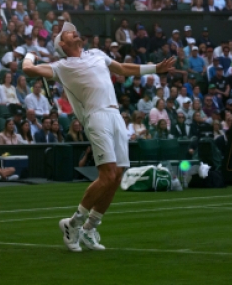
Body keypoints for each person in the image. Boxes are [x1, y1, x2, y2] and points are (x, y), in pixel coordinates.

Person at [23, 21, 175, 252]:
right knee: (107, 175)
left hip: (115, 115)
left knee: (117, 176)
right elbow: (29, 70)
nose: (75, 31)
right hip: (95, 117)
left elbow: (123, 69)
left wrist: (155, 68)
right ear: (62, 44)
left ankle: (89, 227)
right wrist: (29, 55)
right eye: (69, 32)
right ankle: (72, 223)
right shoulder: (62, 65)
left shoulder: (96, 53)